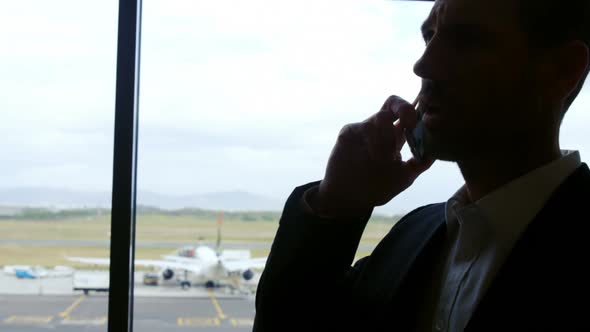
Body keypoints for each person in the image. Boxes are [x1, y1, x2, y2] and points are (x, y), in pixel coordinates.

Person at [253, 0, 590, 331]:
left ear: (562, 70)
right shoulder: (410, 236)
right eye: (430, 36)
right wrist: (337, 204)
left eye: (467, 40)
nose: (424, 65)